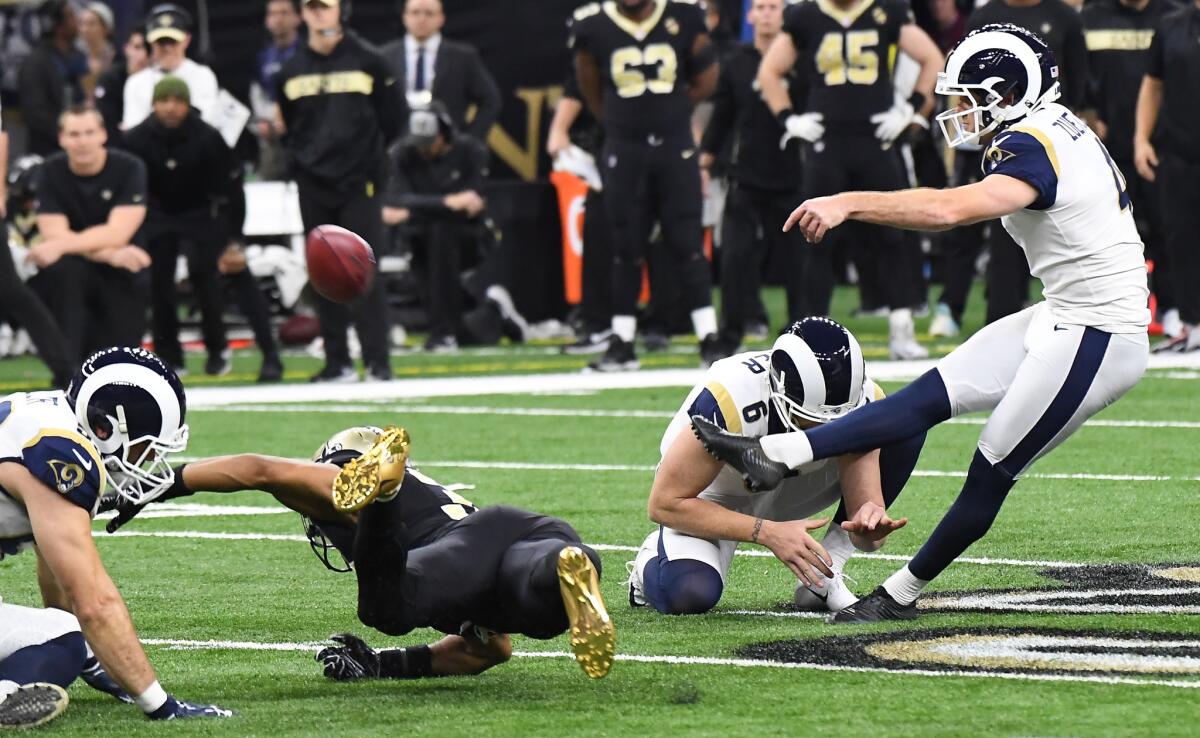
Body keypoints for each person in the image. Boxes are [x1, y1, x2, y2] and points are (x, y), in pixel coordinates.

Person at [693, 25, 1150, 622]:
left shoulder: (1033, 144)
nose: (957, 110)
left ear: (1008, 92)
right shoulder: (1048, 125)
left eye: (968, 96)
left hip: (1100, 334)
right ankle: (776, 455)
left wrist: (847, 202)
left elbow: (946, 211)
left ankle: (899, 594)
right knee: (922, 401)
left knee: (992, 466)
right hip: (1066, 310)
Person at [102, 425, 617, 681]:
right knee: (537, 603)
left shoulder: (341, 482)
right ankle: (568, 566)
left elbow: (259, 469)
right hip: (526, 533)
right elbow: (490, 650)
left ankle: (383, 503)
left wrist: (165, 484)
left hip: (449, 546)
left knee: (386, 608)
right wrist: (382, 665)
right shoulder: (451, 534)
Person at [629, 318, 924, 615]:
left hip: (795, 486)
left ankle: (825, 573)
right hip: (716, 495)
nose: (831, 430)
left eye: (842, 421)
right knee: (690, 593)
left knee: (903, 426)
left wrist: (868, 529)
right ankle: (646, 570)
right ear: (780, 392)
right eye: (814, 419)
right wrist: (766, 532)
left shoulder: (864, 399)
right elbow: (664, 504)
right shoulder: (730, 396)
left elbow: (866, 530)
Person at [0, 346, 231, 726]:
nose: (148, 460)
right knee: (61, 640)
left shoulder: (51, 417)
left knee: (63, 639)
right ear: (107, 427)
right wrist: (160, 704)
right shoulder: (63, 451)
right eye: (148, 445)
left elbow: (55, 567)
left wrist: (87, 655)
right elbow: (94, 603)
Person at [757, 0, 943, 359]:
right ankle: (811, 337)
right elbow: (770, 72)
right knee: (815, 237)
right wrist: (788, 120)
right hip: (826, 141)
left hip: (876, 138)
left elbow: (933, 59)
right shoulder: (806, 15)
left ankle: (902, 330)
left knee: (893, 236)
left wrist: (911, 107)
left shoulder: (886, 10)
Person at [570, 0, 725, 371]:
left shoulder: (683, 16)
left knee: (687, 241)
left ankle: (709, 337)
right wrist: (623, 122)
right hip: (625, 147)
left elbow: (707, 76)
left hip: (673, 145)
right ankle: (622, 340)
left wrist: (669, 112)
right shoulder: (592, 25)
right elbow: (589, 85)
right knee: (625, 244)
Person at [123, 76, 283, 381]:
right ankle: (167, 353)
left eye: (177, 101)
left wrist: (235, 240)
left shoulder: (208, 137)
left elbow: (231, 191)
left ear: (188, 104)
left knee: (208, 269)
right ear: (154, 104)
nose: (171, 108)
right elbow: (131, 193)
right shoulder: (136, 139)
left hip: (201, 214)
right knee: (157, 278)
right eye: (164, 101)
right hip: (156, 217)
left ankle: (223, 347)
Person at [276, 0, 403, 382]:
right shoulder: (291, 68)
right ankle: (337, 362)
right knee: (323, 275)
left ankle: (378, 361)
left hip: (357, 184)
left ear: (342, 12)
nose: (319, 13)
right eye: (311, 7)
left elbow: (394, 119)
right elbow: (291, 123)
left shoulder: (371, 61)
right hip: (313, 184)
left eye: (325, 7)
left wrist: (370, 166)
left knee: (363, 271)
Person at [964, 0, 1089, 324]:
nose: (963, 107)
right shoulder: (985, 14)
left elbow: (947, 211)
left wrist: (852, 204)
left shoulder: (1062, 16)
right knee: (1008, 243)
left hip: (1096, 318)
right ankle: (1008, 317)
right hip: (1039, 137)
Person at [701, 0, 806, 349]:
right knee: (734, 255)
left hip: (792, 172)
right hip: (746, 172)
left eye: (773, 7)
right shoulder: (736, 61)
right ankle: (731, 331)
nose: (765, 14)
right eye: (759, 7)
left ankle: (799, 331)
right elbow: (722, 116)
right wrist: (705, 159)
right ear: (749, 15)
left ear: (784, 15)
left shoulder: (802, 57)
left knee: (797, 259)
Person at [1084, 0, 1178, 342]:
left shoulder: (1172, 16)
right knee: (1108, 233)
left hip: (1164, 145)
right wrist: (1089, 115)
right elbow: (1077, 73)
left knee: (1168, 228)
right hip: (1104, 150)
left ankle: (1172, 309)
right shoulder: (1091, 18)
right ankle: (1107, 314)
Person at [32, 106, 151, 361]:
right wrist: (109, 254)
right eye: (74, 134)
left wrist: (66, 245)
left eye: (89, 133)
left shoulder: (130, 167)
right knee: (64, 272)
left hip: (123, 268)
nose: (82, 141)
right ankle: (68, 375)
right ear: (62, 138)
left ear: (103, 134)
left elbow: (118, 233)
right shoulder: (49, 171)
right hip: (77, 270)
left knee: (121, 358)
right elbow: (53, 233)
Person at [382, 98, 490, 352]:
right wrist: (447, 202)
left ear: (445, 134)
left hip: (467, 237)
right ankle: (446, 330)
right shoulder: (402, 153)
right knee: (429, 238)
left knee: (442, 234)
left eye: (430, 143)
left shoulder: (470, 151)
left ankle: (445, 331)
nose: (424, 149)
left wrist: (415, 210)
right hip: (418, 233)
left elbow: (473, 203)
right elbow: (394, 201)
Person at [1134, 0, 1200, 352]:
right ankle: (1193, 323)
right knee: (1181, 238)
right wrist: (1141, 138)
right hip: (1179, 151)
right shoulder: (1171, 24)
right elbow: (1152, 84)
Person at [381, 0, 502, 141]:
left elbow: (490, 100)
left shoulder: (463, 57)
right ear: (404, 17)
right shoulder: (384, 56)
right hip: (397, 147)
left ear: (441, 18)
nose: (422, 19)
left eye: (429, 13)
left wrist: (469, 139)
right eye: (415, 13)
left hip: (446, 148)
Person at [122, 4, 219, 130]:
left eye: (173, 41)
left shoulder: (203, 76)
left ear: (186, 40)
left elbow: (207, 122)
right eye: (161, 42)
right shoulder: (136, 82)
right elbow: (133, 129)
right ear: (151, 42)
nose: (167, 48)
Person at [18, 0, 86, 156]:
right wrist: (68, 134)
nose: (77, 21)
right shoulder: (35, 63)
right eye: (71, 16)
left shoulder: (78, 56)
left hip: (80, 144)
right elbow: (35, 114)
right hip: (47, 151)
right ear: (57, 25)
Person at [251, 0, 302, 181]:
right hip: (272, 135)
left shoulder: (306, 53)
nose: (278, 19)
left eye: (284, 13)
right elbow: (257, 94)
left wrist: (289, 116)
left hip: (303, 132)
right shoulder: (263, 58)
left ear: (298, 17)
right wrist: (266, 120)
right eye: (272, 14)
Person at [94, 28, 150, 144]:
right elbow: (106, 123)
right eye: (137, 47)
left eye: (148, 49)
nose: (143, 55)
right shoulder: (109, 80)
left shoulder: (159, 79)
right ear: (126, 48)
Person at [78, 1, 116, 102]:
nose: (85, 29)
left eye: (91, 24)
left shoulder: (117, 59)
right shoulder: (76, 59)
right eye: (82, 24)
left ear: (105, 28)